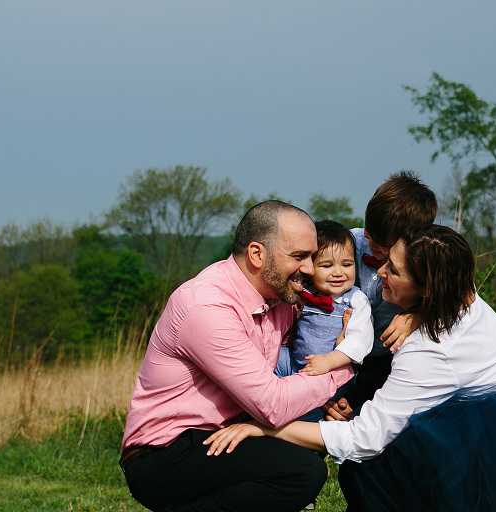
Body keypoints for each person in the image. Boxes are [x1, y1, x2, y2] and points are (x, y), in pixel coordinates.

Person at [204, 224, 496, 511]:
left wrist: (269, 427)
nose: (379, 275)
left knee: (374, 472)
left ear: (428, 288)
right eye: (385, 262)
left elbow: (363, 440)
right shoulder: (462, 295)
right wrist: (416, 312)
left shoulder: (429, 350)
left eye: (394, 271)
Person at [120, 201, 354, 512]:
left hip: (221, 438)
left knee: (303, 453)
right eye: (299, 256)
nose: (310, 269)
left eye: (312, 256)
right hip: (163, 452)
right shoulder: (207, 306)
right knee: (299, 471)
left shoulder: (280, 298)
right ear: (257, 254)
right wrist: (342, 366)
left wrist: (326, 401)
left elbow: (299, 359)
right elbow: (272, 405)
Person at [334, 171, 438, 418]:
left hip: (386, 360)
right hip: (338, 350)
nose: (371, 245)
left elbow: (457, 297)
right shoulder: (348, 243)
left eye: (382, 245)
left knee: (368, 415)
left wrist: (416, 315)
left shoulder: (429, 259)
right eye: (369, 234)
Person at [274, 220, 373, 422]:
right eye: (327, 265)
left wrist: (327, 362)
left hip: (330, 373)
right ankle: (263, 403)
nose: (338, 272)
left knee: (311, 406)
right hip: (296, 363)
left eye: (347, 264)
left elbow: (359, 343)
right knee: (270, 356)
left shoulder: (355, 300)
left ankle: (303, 426)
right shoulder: (304, 293)